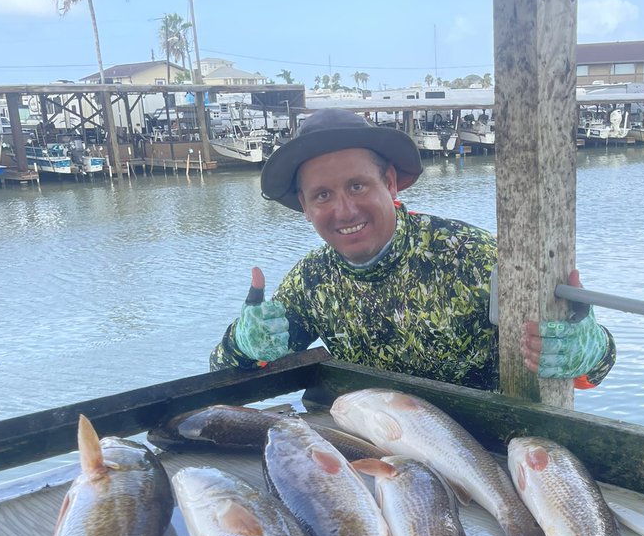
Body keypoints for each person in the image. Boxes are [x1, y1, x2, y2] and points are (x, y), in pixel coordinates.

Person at [209, 109, 615, 392]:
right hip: (375, 449)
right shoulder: (312, 280)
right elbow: (224, 370)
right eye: (322, 195)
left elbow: (593, 371)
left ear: (389, 182)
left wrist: (585, 349)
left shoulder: (472, 257)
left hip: (484, 452)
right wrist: (245, 342)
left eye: (357, 186)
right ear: (304, 206)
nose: (344, 210)